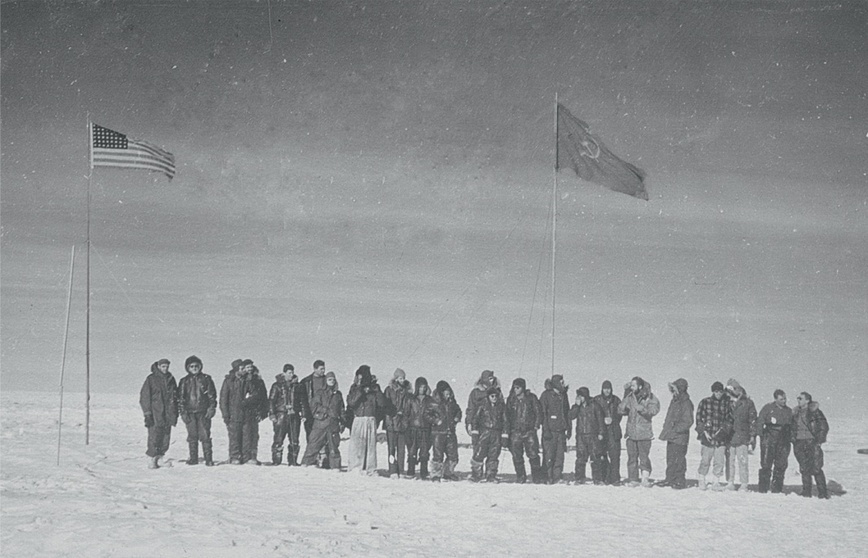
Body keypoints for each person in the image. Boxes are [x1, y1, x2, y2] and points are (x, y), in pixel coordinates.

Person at [346, 365, 389, 475]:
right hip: (359, 418)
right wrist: (360, 390)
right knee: (357, 445)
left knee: (370, 446)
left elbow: (382, 403)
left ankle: (370, 468)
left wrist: (376, 390)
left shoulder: (374, 388)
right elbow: (351, 402)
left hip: (370, 418)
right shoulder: (354, 387)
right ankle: (356, 467)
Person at [618, 376, 660, 487]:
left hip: (644, 433)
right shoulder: (630, 397)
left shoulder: (649, 396)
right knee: (632, 458)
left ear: (640, 386)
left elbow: (655, 409)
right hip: (631, 433)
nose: (631, 387)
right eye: (630, 385)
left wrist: (643, 409)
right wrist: (625, 393)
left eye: (633, 385)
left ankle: (645, 478)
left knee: (644, 457)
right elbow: (620, 409)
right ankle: (633, 479)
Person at [177, 355, 217, 466]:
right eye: (192, 366)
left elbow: (212, 395)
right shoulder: (184, 381)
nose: (194, 368)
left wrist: (211, 408)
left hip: (203, 412)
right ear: (188, 368)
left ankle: (208, 459)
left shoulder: (206, 379)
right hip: (190, 412)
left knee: (205, 435)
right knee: (192, 436)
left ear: (200, 366)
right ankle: (193, 458)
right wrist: (183, 412)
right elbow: (180, 398)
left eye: (196, 366)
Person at [300, 371, 344, 469]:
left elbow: (341, 408)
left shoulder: (338, 394)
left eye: (333, 379)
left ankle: (335, 467)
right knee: (313, 444)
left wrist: (342, 421)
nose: (331, 381)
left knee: (334, 447)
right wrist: (326, 411)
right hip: (321, 422)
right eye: (329, 379)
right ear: (326, 381)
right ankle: (306, 463)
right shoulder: (320, 393)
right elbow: (314, 405)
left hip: (333, 424)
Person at [140, 358, 179, 469]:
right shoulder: (151, 379)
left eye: (167, 366)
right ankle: (152, 459)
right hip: (155, 413)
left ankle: (160, 458)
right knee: (154, 436)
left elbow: (175, 397)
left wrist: (175, 413)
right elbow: (145, 397)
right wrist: (147, 414)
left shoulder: (171, 379)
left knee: (165, 437)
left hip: (168, 414)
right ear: (158, 367)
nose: (165, 368)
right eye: (163, 366)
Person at [695, 381, 733, 490]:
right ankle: (701, 479)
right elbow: (698, 419)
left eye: (721, 391)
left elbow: (729, 420)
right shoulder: (705, 402)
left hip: (721, 438)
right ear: (713, 391)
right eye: (716, 391)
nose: (719, 394)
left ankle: (716, 481)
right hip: (708, 437)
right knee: (705, 460)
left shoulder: (726, 404)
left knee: (719, 461)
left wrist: (723, 431)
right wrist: (704, 432)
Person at [792, 391, 830, 499]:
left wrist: (818, 441)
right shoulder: (795, 413)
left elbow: (824, 427)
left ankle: (822, 493)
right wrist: (793, 439)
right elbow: (792, 428)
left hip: (812, 442)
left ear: (807, 400)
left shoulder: (815, 412)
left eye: (800, 398)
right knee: (804, 468)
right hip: (799, 442)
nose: (798, 400)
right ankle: (806, 492)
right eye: (797, 398)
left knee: (816, 468)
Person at [657, 378, 693, 489]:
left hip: (680, 437)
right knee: (670, 459)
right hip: (672, 436)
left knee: (679, 460)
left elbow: (688, 421)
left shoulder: (686, 403)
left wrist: (675, 429)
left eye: (675, 388)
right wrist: (666, 428)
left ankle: (679, 480)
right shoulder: (674, 401)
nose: (673, 391)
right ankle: (669, 479)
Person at [465, 370, 503, 477]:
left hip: (494, 427)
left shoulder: (497, 392)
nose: (492, 380)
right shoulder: (476, 392)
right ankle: (476, 474)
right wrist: (469, 424)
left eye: (493, 378)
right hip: (479, 427)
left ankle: (491, 474)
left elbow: (502, 409)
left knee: (493, 452)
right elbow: (471, 409)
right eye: (490, 378)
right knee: (478, 451)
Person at [505, 378, 543, 484]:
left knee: (533, 454)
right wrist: (507, 431)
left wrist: (536, 426)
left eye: (518, 387)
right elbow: (506, 416)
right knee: (517, 456)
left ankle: (537, 477)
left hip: (529, 431)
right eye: (514, 388)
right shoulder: (511, 399)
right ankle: (521, 477)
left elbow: (538, 412)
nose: (516, 390)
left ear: (523, 388)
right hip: (515, 432)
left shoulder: (531, 398)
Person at [756, 389, 793, 493]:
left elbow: (793, 426)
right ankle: (763, 488)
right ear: (775, 399)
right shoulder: (768, 408)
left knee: (781, 465)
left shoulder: (789, 411)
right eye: (781, 399)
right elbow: (760, 422)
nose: (784, 401)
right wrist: (761, 436)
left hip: (783, 440)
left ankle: (777, 488)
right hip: (769, 439)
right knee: (766, 464)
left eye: (785, 399)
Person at [268, 364, 304, 465]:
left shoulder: (297, 386)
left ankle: (293, 461)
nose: (291, 375)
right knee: (279, 438)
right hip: (281, 415)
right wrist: (272, 414)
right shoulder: (277, 385)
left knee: (294, 439)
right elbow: (271, 400)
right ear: (284, 373)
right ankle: (276, 461)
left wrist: (303, 414)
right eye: (289, 373)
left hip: (294, 415)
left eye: (292, 372)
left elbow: (302, 401)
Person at [725, 378, 757, 491]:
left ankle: (744, 483)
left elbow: (753, 420)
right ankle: (730, 482)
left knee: (742, 461)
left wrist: (752, 435)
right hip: (729, 436)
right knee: (730, 461)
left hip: (743, 436)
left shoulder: (748, 403)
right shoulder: (727, 402)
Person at [471, 387, 508, 482]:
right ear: (488, 396)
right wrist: (475, 432)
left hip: (496, 433)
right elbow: (475, 419)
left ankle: (491, 475)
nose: (494, 398)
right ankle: (476, 475)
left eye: (496, 396)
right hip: (484, 433)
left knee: (493, 455)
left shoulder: (501, 407)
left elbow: (505, 421)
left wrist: (505, 434)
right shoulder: (482, 406)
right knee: (479, 454)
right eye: (492, 396)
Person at [539, 374, 571, 484]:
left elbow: (567, 413)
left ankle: (557, 477)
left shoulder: (563, 396)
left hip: (561, 431)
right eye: (561, 382)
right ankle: (547, 477)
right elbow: (542, 413)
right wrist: (546, 429)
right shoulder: (546, 395)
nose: (563, 384)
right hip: (550, 431)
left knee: (559, 456)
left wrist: (569, 428)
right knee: (549, 455)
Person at [569, 386, 604, 484]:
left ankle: (597, 479)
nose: (579, 398)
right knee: (580, 458)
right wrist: (576, 406)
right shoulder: (577, 407)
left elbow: (600, 420)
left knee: (595, 458)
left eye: (581, 396)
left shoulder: (594, 405)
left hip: (593, 435)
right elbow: (571, 416)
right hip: (581, 436)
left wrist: (601, 433)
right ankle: (579, 478)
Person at [429, 380, 462, 481]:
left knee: (453, 455)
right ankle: (436, 475)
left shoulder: (452, 402)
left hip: (450, 432)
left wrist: (457, 418)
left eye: (449, 393)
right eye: (446, 393)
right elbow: (427, 414)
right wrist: (436, 420)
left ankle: (448, 472)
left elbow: (458, 411)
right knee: (438, 455)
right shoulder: (434, 402)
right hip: (438, 433)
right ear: (441, 393)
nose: (448, 395)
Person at [384, 368, 413, 478]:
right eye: (400, 378)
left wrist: (405, 415)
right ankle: (392, 470)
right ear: (395, 379)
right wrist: (394, 413)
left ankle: (401, 469)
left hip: (403, 423)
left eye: (403, 378)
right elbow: (385, 405)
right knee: (391, 448)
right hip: (391, 422)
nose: (402, 380)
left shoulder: (407, 392)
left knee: (401, 448)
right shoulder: (389, 390)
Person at [593, 380, 623, 485]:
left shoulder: (616, 400)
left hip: (613, 432)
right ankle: (604, 477)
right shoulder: (597, 400)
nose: (607, 391)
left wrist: (613, 420)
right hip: (601, 432)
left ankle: (615, 479)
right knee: (601, 456)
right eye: (605, 388)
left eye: (609, 388)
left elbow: (621, 413)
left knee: (615, 456)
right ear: (602, 389)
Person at [300, 359, 329, 467]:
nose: (323, 371)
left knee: (324, 437)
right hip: (310, 413)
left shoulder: (327, 380)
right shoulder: (306, 381)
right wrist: (304, 413)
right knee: (311, 437)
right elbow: (302, 399)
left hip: (323, 413)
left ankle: (324, 459)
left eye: (324, 368)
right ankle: (312, 460)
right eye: (321, 369)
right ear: (315, 369)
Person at [241, 362, 269, 465]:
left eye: (251, 367)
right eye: (247, 367)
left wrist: (263, 412)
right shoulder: (241, 380)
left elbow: (264, 396)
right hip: (244, 411)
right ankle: (245, 457)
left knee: (254, 435)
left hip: (255, 411)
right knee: (246, 434)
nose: (249, 369)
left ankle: (253, 456)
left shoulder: (259, 381)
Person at [219, 359, 246, 464]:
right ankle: (234, 456)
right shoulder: (228, 381)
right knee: (234, 436)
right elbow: (223, 399)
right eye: (242, 368)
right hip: (233, 414)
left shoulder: (246, 380)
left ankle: (243, 456)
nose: (244, 370)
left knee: (244, 437)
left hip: (245, 414)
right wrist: (225, 415)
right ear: (236, 369)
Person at [406, 377, 434, 478]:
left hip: (426, 429)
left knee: (424, 452)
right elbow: (407, 413)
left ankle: (423, 472)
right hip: (413, 428)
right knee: (412, 451)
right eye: (421, 387)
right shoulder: (411, 399)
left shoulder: (429, 400)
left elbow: (433, 413)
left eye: (424, 387)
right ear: (417, 387)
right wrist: (407, 426)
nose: (422, 389)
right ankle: (411, 471)